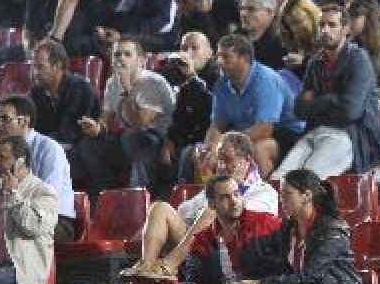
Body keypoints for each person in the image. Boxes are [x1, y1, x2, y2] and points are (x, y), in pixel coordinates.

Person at [221, 169, 365, 284]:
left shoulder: (331, 232)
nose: (282, 200)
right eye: (281, 194)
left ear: (306, 196)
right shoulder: (290, 228)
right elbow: (263, 255)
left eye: (287, 194)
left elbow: (308, 278)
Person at [123, 132, 278, 279]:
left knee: (214, 211)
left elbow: (243, 220)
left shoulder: (264, 192)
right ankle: (147, 266)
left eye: (227, 159)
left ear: (247, 160)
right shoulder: (217, 189)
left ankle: (168, 265)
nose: (221, 166)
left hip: (238, 255)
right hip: (205, 248)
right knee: (160, 208)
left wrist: (213, 207)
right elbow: (183, 210)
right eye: (219, 160)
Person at [273, 4, 380, 179]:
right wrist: (334, 100)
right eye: (322, 25)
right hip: (315, 132)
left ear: (345, 29)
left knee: (306, 181)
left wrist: (321, 101)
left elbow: (350, 111)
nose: (325, 30)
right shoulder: (315, 62)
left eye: (332, 25)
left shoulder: (358, 59)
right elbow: (299, 109)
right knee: (279, 179)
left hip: (350, 135)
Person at [160, 174, 283, 284]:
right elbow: (191, 278)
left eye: (236, 194)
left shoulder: (266, 224)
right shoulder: (203, 239)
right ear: (212, 204)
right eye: (225, 197)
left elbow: (286, 266)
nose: (234, 201)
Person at [72, 37, 176, 199]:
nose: (121, 58)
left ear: (140, 60)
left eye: (127, 54)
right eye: (117, 54)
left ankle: (137, 198)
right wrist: (96, 128)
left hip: (161, 143)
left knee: (131, 138)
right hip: (129, 140)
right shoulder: (113, 82)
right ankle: (105, 197)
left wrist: (127, 88)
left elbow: (141, 122)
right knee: (88, 146)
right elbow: (105, 121)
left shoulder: (152, 82)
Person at [203, 34, 304, 179]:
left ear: (245, 59)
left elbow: (264, 129)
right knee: (201, 154)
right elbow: (217, 125)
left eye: (226, 57)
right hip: (243, 134)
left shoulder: (266, 80)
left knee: (259, 149)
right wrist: (210, 148)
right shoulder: (221, 85)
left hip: (287, 134)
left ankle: (266, 191)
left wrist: (227, 145)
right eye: (218, 56)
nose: (219, 62)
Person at [0, 95, 77, 242]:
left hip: (54, 221)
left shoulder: (49, 148)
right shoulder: (4, 151)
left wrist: (14, 191)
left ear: (24, 121)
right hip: (19, 215)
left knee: (5, 232)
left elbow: (48, 197)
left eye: (5, 119)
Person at [0, 135, 58, 284]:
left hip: (20, 271)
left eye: (2, 158)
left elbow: (34, 226)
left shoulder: (43, 191)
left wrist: (13, 194)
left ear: (20, 162)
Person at [162, 32, 220, 182]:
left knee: (189, 153)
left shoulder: (219, 77)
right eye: (184, 48)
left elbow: (214, 113)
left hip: (215, 139)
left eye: (195, 48)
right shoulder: (184, 79)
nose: (188, 53)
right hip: (191, 139)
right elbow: (180, 117)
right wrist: (170, 139)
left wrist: (192, 77)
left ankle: (186, 193)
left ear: (210, 53)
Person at [29, 39, 100, 149]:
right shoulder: (36, 93)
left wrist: (39, 142)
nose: (35, 72)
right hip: (51, 145)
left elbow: (70, 133)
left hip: (79, 147)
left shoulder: (79, 88)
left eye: (40, 67)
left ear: (57, 65)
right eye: (33, 66)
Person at [173, 0, 241, 45]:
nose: (179, 6)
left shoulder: (228, 5)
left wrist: (205, 15)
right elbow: (182, 42)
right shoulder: (187, 14)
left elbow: (217, 42)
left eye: (180, 2)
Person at [239, 0, 290, 72]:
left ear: (270, 12)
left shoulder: (284, 45)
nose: (243, 14)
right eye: (242, 8)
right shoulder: (235, 39)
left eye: (251, 9)